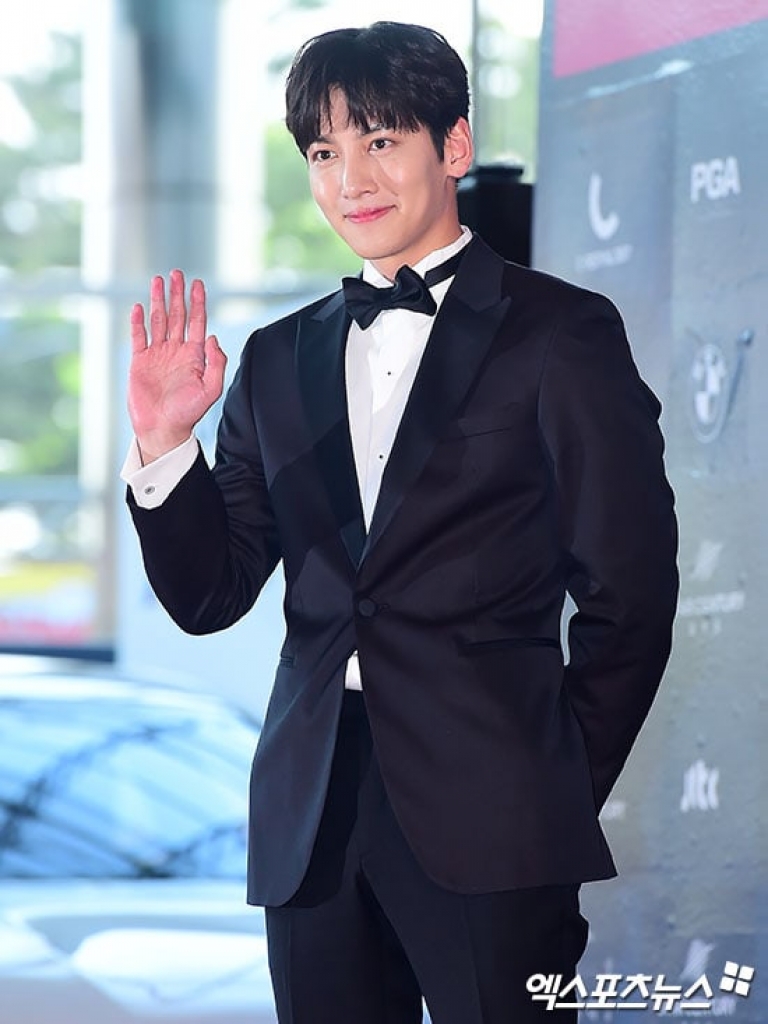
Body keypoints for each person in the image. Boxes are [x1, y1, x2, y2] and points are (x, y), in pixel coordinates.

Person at [122, 20, 679, 1024]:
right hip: (310, 816)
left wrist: (549, 782)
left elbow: (629, 596)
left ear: (453, 146)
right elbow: (211, 594)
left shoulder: (560, 333)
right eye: (324, 153)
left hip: (497, 811)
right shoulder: (276, 358)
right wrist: (166, 445)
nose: (352, 180)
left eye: (380, 140)